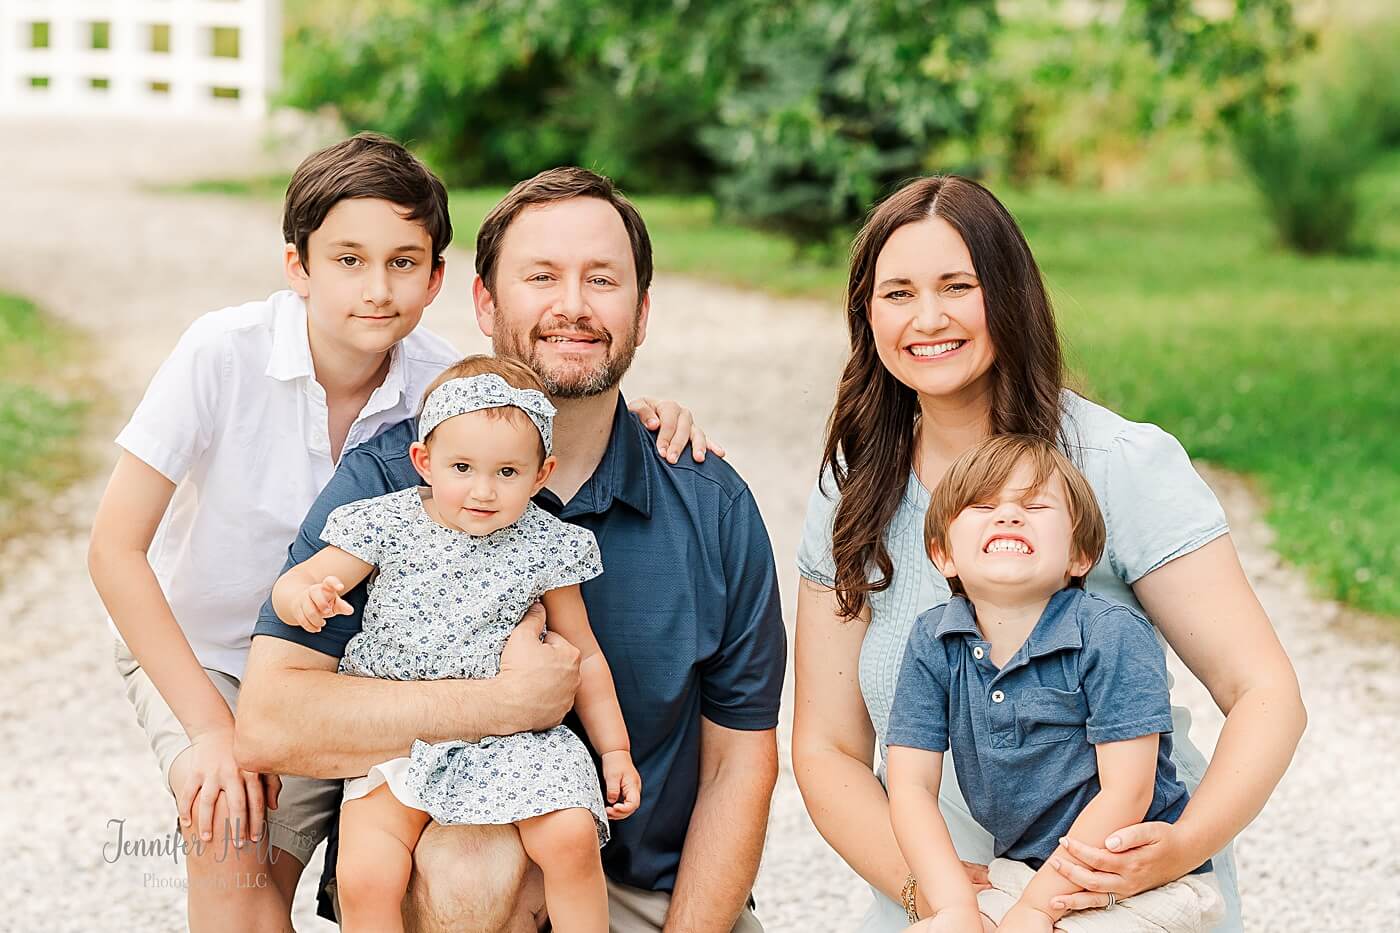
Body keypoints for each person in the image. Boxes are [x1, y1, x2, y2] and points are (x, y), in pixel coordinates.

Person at [87, 134, 710, 932]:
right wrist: (211, 729)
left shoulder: (437, 378)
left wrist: (648, 410)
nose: (377, 289)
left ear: (437, 277)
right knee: (233, 833)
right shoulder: (221, 354)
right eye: (347, 259)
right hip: (205, 654)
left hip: (352, 671)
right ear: (297, 265)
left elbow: (528, 409)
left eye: (403, 262)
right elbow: (114, 550)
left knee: (385, 855)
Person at [236, 166, 786, 932]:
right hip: (442, 880)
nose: (573, 305)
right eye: (541, 277)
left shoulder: (708, 500)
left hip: (639, 899)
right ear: (485, 302)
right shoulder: (393, 480)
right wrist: (496, 706)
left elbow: (740, 759)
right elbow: (270, 719)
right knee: (471, 862)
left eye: (602, 278)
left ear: (643, 309)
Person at [792, 174, 1305, 931]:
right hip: (942, 897)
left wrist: (1181, 845)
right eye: (897, 293)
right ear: (866, 315)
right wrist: (938, 897)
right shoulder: (854, 491)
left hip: (1112, 887)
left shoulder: (1119, 462)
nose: (927, 317)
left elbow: (1266, 692)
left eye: (957, 286)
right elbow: (827, 746)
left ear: (1008, 295)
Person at [273, 355, 641, 933]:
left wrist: (614, 749)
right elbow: (301, 579)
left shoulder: (545, 543)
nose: (483, 490)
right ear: (424, 462)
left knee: (570, 837)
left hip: (516, 739)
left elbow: (584, 652)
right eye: (463, 467)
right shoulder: (386, 524)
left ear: (541, 474)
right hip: (402, 733)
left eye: (507, 473)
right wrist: (304, 598)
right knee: (367, 874)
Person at [886, 434, 1223, 932]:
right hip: (1025, 873)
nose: (1007, 516)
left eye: (1035, 505)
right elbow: (910, 786)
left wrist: (1038, 910)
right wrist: (954, 906)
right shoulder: (934, 640)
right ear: (944, 555)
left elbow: (1126, 793)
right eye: (982, 505)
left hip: (1135, 878)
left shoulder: (1108, 633)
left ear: (1079, 556)